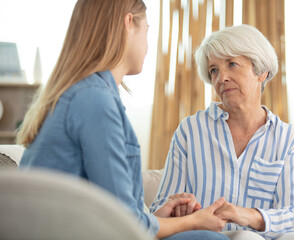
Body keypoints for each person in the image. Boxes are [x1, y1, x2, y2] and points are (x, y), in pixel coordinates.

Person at [17, 1, 230, 239]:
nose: (149, 46)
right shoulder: (94, 100)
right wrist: (194, 221)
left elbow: (116, 210)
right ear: (129, 23)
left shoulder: (84, 93)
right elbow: (124, 222)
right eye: (147, 31)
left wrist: (156, 218)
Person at [150, 25, 294, 240]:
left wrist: (247, 216)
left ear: (261, 71)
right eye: (214, 70)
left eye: (232, 64)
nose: (222, 77)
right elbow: (160, 208)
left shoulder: (288, 138)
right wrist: (177, 207)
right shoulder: (190, 130)